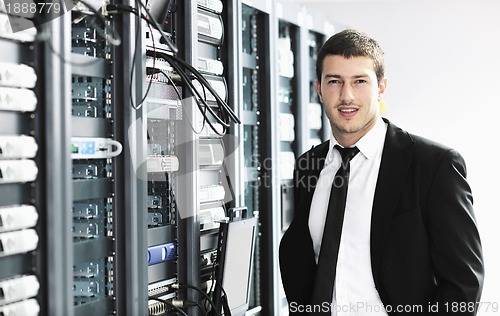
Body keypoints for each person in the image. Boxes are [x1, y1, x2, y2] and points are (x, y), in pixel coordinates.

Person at [279, 29, 484, 315]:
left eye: (360, 81)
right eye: (334, 81)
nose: (346, 95)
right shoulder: (308, 166)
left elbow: (464, 284)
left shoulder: (433, 165)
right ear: (319, 89)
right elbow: (302, 266)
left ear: (381, 87)